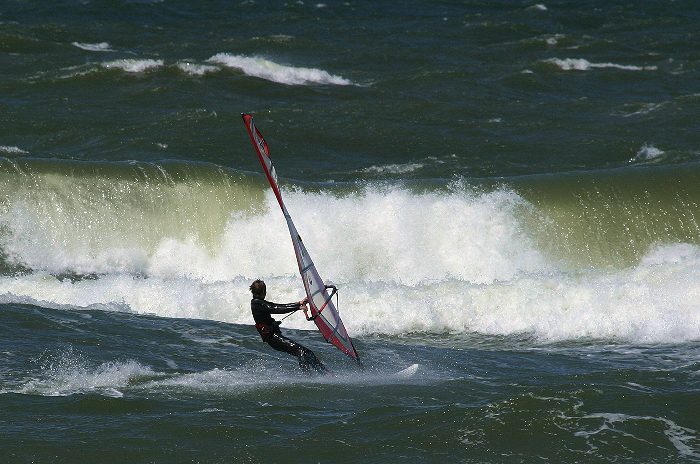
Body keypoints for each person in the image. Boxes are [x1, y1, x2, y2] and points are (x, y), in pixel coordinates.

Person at [249, 279, 326, 373]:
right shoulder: (258, 303)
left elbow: (275, 307)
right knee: (302, 352)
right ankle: (309, 377)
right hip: (273, 338)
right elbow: (276, 308)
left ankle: (325, 374)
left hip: (274, 337)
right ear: (264, 292)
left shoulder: (257, 303)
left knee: (307, 353)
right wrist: (298, 307)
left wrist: (298, 303)